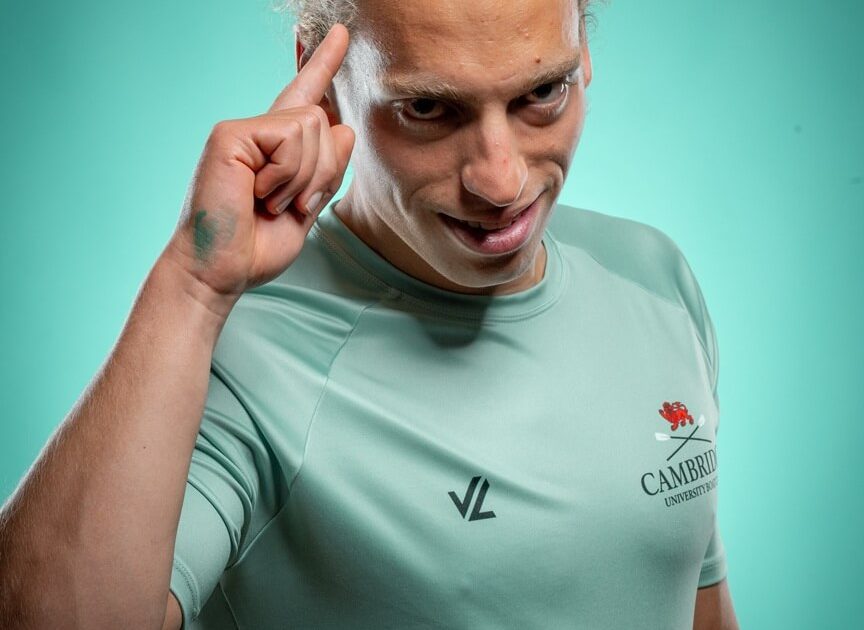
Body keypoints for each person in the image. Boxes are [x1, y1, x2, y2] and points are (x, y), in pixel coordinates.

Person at [0, 0, 739, 628]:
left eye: (544, 91)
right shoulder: (248, 351)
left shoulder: (654, 274)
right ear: (324, 80)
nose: (501, 180)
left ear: (583, 52)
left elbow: (693, 602)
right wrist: (192, 288)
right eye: (428, 108)